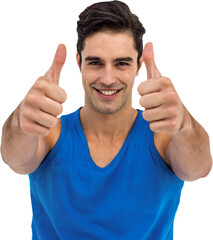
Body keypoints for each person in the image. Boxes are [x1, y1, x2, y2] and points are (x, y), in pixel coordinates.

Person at [1, 0, 212, 239]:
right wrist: (21, 120)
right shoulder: (50, 134)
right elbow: (15, 158)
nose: (108, 78)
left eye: (122, 63)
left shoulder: (163, 137)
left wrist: (184, 123)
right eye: (95, 63)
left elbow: (199, 168)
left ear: (138, 66)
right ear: (79, 63)